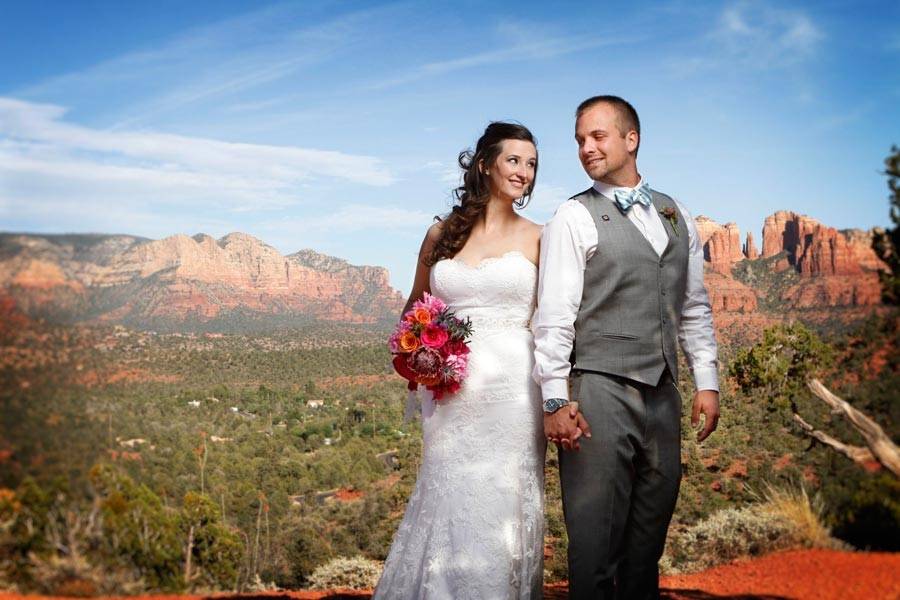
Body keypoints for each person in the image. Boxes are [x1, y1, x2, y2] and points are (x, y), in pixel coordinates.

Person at [533, 95, 720, 600]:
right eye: (579, 140)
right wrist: (555, 398)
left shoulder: (675, 213)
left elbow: (693, 305)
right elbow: (553, 317)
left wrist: (707, 380)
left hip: (664, 395)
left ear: (630, 139)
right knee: (594, 548)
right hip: (598, 393)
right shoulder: (573, 216)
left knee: (646, 546)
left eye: (597, 136)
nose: (585, 148)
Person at [373, 122, 546, 599]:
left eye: (531, 164)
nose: (524, 172)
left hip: (513, 392)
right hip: (449, 390)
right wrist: (416, 357)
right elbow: (414, 306)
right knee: (447, 491)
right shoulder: (441, 233)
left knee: (501, 503)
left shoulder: (540, 237)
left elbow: (553, 322)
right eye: (514, 160)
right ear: (486, 163)